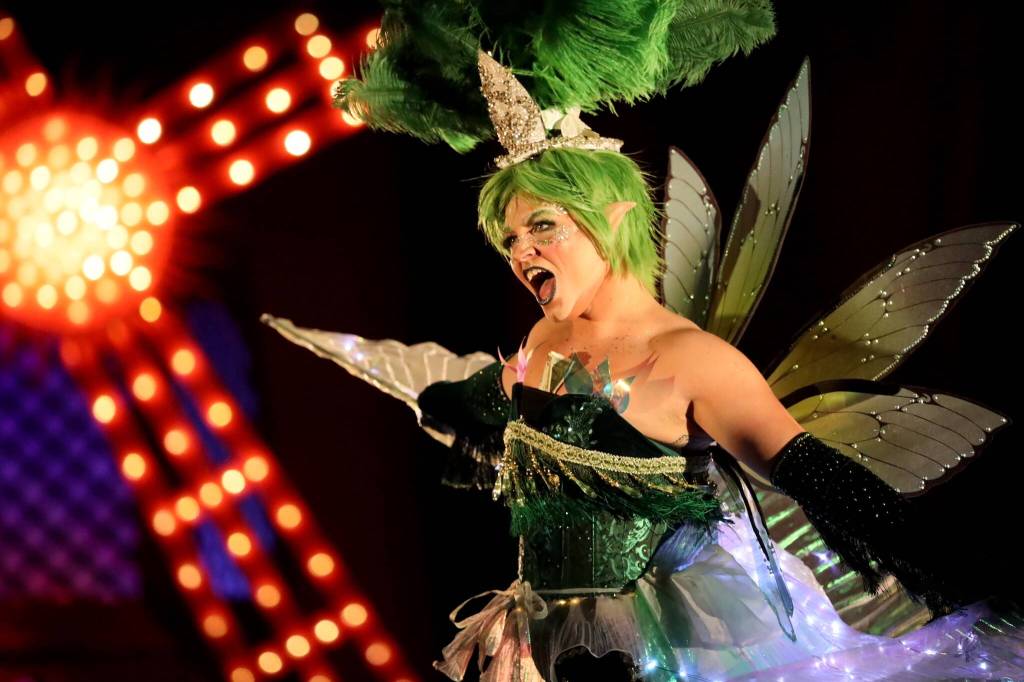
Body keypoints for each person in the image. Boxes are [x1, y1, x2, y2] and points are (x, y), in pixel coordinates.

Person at [264, 2, 1024, 679]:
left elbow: (821, 482)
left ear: (616, 218)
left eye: (541, 228)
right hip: (538, 642)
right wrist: (417, 387)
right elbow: (484, 404)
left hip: (663, 648)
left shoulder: (692, 361)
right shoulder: (540, 338)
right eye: (509, 238)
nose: (521, 252)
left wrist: (962, 576)